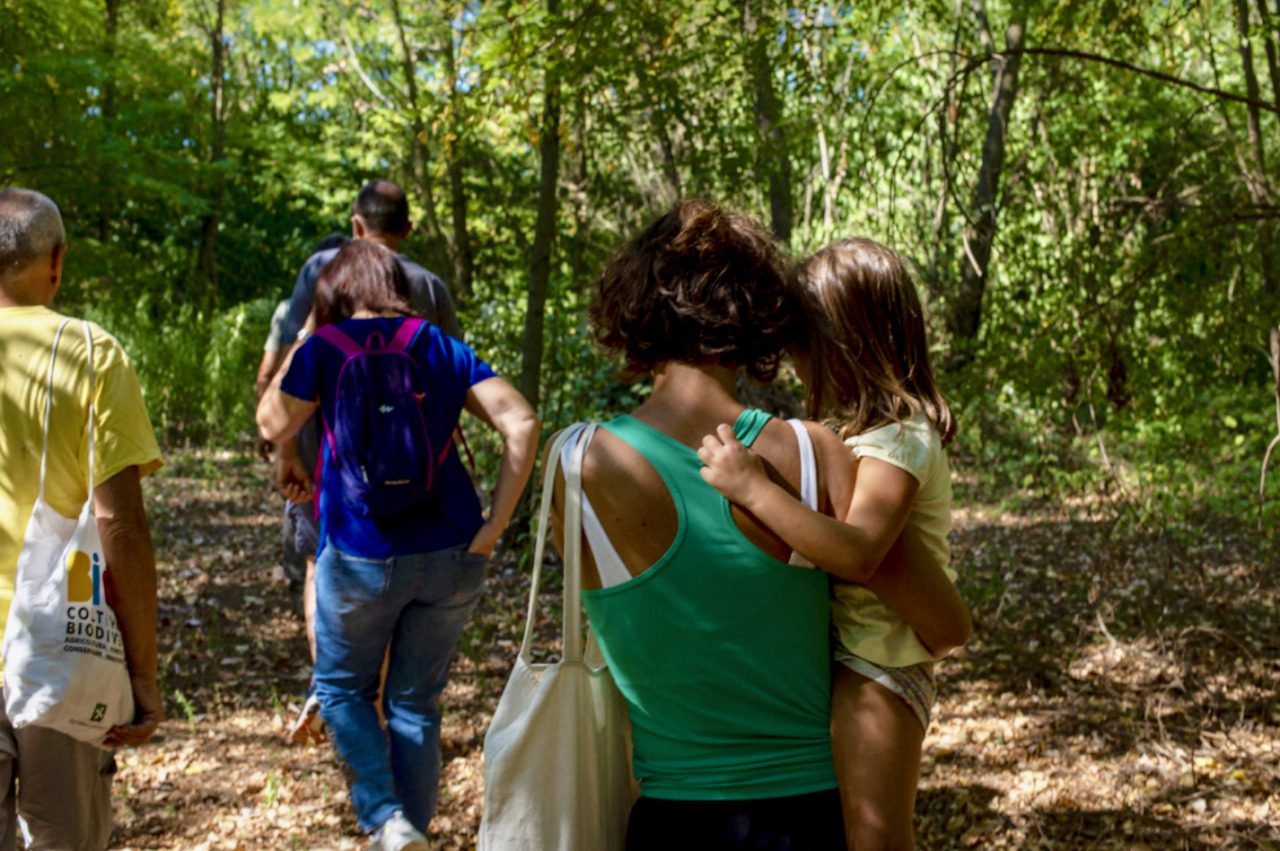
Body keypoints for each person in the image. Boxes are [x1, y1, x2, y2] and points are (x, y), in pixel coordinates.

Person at [547, 199, 858, 850]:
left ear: (634, 307)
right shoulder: (815, 450)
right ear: (756, 307)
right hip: (815, 817)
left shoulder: (579, 463)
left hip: (674, 820)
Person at [257, 239, 538, 851]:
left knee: (340, 690)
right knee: (416, 704)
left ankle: (386, 817)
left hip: (361, 554)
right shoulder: (437, 343)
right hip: (454, 555)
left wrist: (306, 332)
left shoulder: (325, 348)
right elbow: (522, 421)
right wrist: (496, 524)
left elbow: (271, 423)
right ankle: (411, 833)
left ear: (335, 292)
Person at [698, 237, 972, 850]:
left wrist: (756, 490)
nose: (795, 360)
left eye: (803, 343)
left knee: (876, 836)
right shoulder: (870, 434)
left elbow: (860, 552)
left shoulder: (899, 438)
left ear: (846, 342)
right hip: (860, 654)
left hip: (882, 664)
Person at [0, 188, 164, 849]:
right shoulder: (90, 353)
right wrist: (143, 673)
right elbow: (119, 525)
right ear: (58, 261)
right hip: (58, 647)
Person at [270, 188, 461, 741]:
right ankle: (374, 702)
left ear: (357, 225)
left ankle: (340, 689)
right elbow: (450, 378)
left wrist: (285, 449)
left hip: (325, 453)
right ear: (406, 227)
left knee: (318, 564)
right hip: (410, 460)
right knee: (397, 573)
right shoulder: (430, 285)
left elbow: (293, 363)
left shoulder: (321, 268)